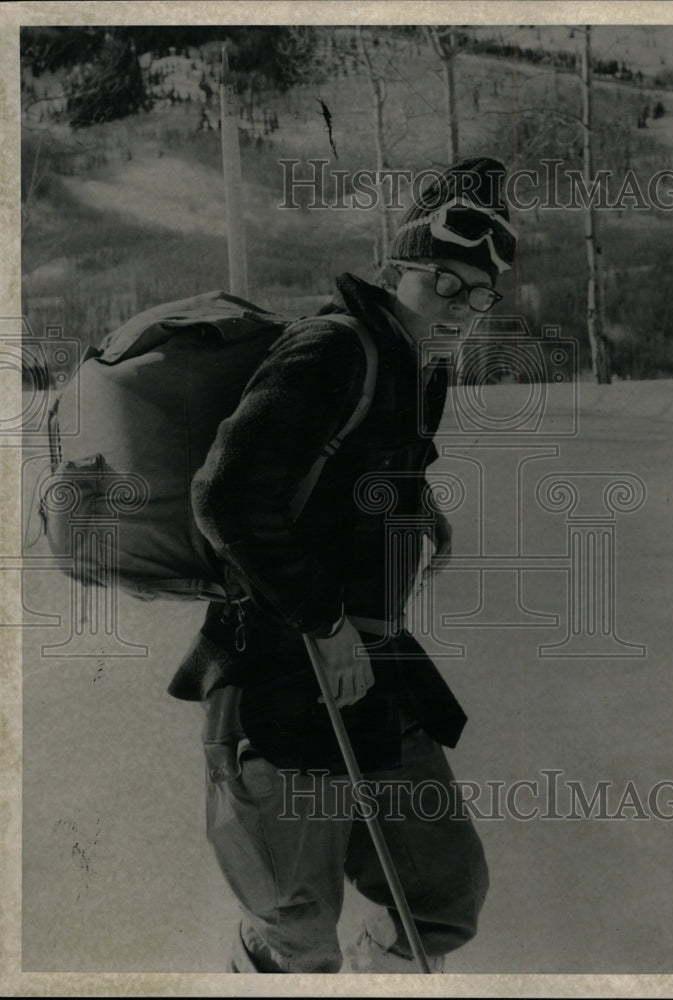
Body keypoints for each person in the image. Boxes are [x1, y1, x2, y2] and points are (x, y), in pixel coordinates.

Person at [168, 157, 517, 973]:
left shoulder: (420, 367)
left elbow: (353, 469)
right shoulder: (329, 349)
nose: (462, 307)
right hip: (276, 680)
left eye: (481, 292)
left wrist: (414, 504)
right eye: (444, 281)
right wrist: (323, 624)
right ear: (397, 269)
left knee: (443, 894)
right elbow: (222, 497)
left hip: (372, 671)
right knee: (297, 927)